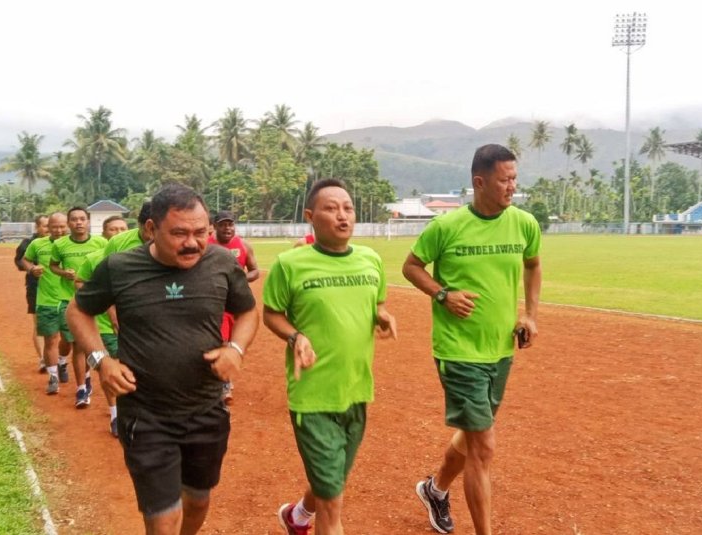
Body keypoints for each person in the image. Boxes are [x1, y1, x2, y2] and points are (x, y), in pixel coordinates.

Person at [66, 183, 258, 535]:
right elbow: (77, 311)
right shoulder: (120, 268)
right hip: (146, 414)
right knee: (163, 518)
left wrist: (236, 349)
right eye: (179, 233)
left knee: (198, 500)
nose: (192, 242)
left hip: (206, 408)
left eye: (201, 232)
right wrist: (102, 361)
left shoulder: (220, 263)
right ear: (152, 229)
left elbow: (247, 312)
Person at [402, 144, 542, 535]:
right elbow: (411, 267)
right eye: (504, 179)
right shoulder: (447, 227)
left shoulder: (524, 223)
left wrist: (530, 313)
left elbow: (533, 265)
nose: (512, 186)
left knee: (471, 434)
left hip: (500, 349)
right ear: (480, 182)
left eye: (515, 178)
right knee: (484, 445)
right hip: (458, 350)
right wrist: (443, 294)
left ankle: (435, 489)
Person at [263, 178, 397, 535]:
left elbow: (377, 303)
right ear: (310, 215)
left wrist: (381, 315)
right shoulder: (290, 264)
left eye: (348, 208)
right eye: (331, 208)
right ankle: (314, 517)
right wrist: (295, 337)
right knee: (333, 502)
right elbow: (271, 313)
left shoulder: (371, 260)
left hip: (356, 390)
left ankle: (297, 516)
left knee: (332, 480)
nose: (343, 216)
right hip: (312, 396)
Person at [74, 214, 132, 437]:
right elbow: (80, 281)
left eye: (122, 229)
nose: (118, 233)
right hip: (106, 326)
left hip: (136, 326)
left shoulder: (139, 258)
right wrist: (101, 303)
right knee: (112, 366)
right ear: (104, 234)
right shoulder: (95, 259)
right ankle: (116, 414)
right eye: (113, 230)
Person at [50, 207, 108, 409]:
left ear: (89, 222)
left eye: (83, 219)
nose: (79, 223)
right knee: (74, 343)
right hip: (70, 300)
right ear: (68, 223)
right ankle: (81, 384)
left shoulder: (101, 243)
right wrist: (62, 272)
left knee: (87, 345)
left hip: (96, 300)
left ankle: (83, 383)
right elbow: (53, 265)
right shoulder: (60, 244)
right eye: (74, 219)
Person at [207, 210, 259, 404]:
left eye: (230, 224)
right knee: (220, 341)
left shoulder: (243, 245)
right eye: (223, 224)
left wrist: (238, 280)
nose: (227, 228)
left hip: (238, 303)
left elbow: (255, 270)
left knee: (233, 341)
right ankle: (224, 384)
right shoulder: (206, 245)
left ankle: (223, 380)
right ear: (215, 226)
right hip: (216, 302)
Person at [20, 212, 69, 395]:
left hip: (70, 300)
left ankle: (63, 361)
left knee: (68, 340)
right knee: (51, 339)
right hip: (46, 300)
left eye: (61, 226)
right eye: (53, 226)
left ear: (67, 226)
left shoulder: (74, 245)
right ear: (47, 228)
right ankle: (53, 377)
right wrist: (32, 268)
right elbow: (24, 259)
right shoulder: (37, 244)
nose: (58, 230)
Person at [15, 215, 50, 372]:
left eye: (51, 225)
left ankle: (58, 358)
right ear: (37, 227)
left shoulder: (61, 243)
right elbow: (19, 261)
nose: (48, 229)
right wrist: (32, 268)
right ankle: (44, 359)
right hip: (36, 287)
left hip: (60, 289)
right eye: (45, 226)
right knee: (39, 324)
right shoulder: (28, 244)